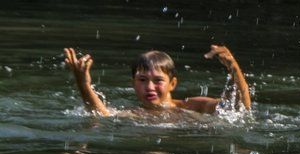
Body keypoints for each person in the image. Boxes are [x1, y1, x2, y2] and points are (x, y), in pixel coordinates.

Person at [62, 45, 251, 116]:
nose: (149, 87)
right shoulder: (134, 115)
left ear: (173, 84)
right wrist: (83, 84)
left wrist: (233, 67)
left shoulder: (193, 106)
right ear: (133, 84)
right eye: (142, 80)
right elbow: (100, 115)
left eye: (158, 80)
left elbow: (239, 107)